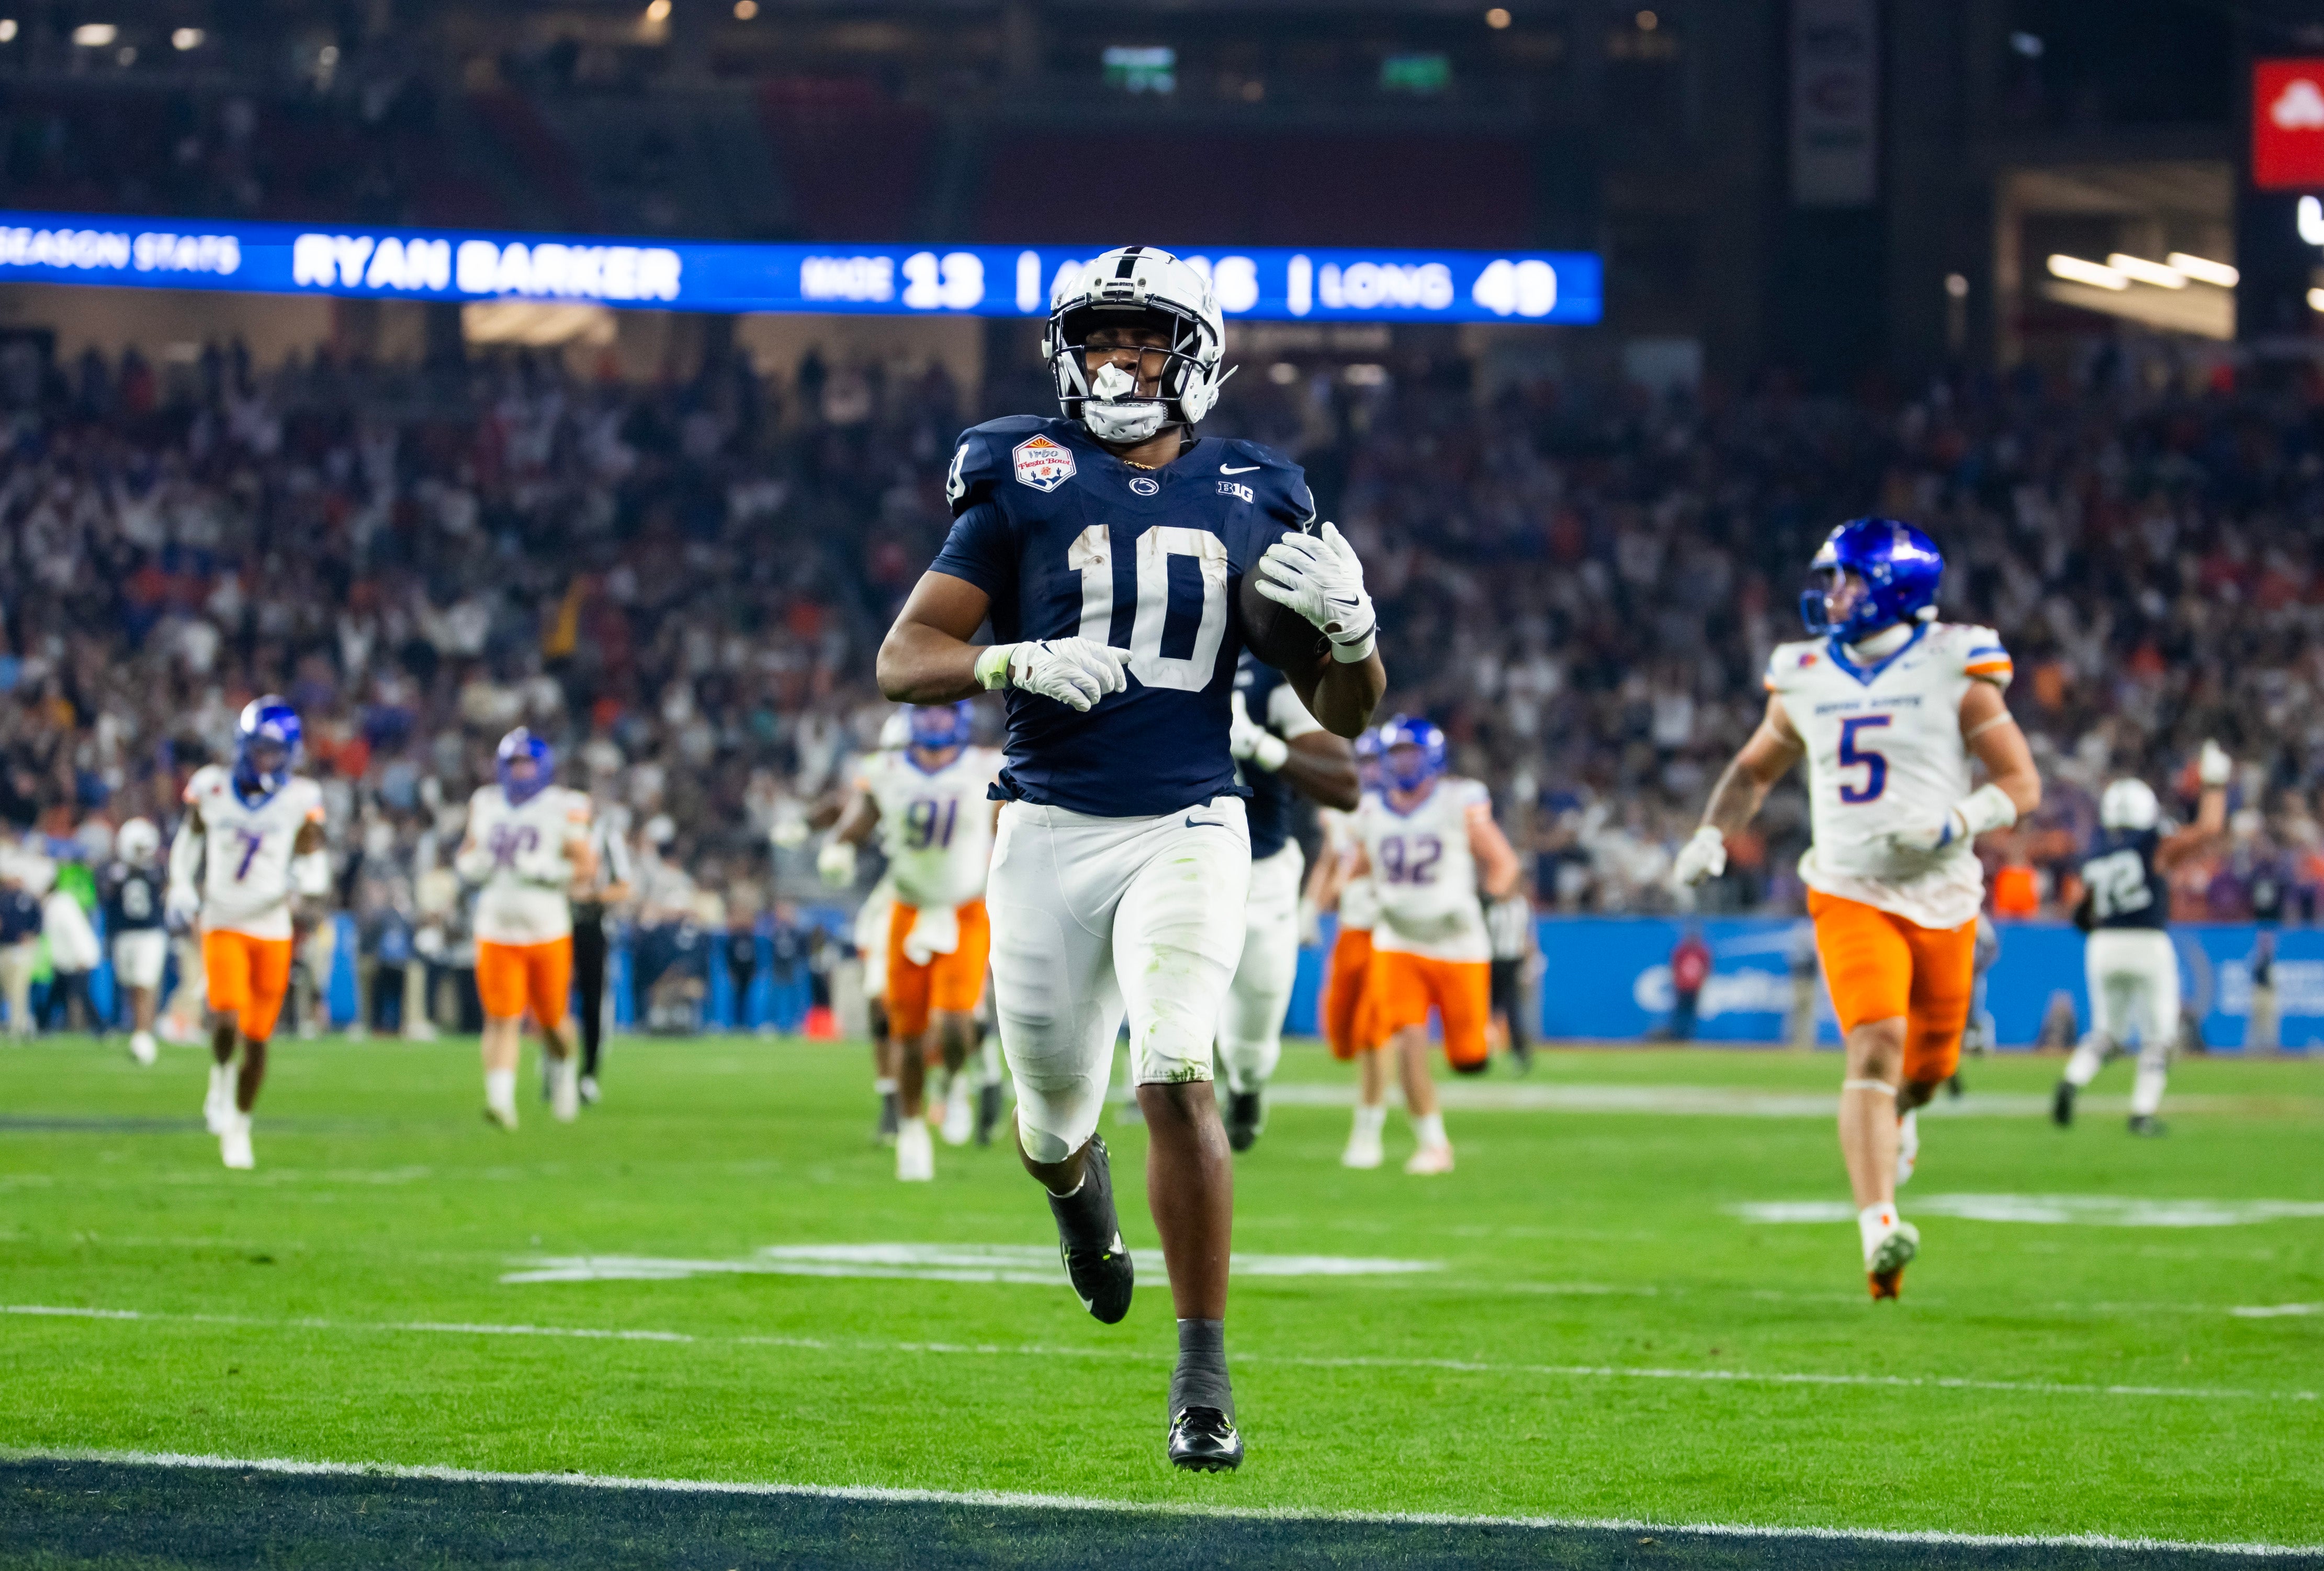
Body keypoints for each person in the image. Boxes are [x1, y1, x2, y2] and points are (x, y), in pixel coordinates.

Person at [876, 244, 1383, 1473]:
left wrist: (1355, 630)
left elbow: (1350, 718)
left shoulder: (1259, 490)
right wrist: (1006, 661)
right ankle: (1076, 1207)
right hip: (1043, 826)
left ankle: (1201, 1375)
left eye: (1140, 337)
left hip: (1189, 824)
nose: (1114, 359)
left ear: (1192, 355)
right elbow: (903, 658)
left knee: (1174, 1066)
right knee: (1050, 1117)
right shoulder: (1020, 474)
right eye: (1097, 337)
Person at [1673, 518, 2040, 1299]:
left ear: (1893, 588)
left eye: (1846, 579)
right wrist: (1711, 833)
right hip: (1847, 886)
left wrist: (1955, 822)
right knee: (1873, 1040)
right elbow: (1752, 770)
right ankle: (1878, 1226)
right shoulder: (1804, 671)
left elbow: (2021, 784)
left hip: (1941, 892)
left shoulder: (1953, 663)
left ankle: (1905, 1112)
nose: (1831, 594)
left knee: (1929, 1067)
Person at [824, 699, 1004, 1180]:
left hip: (965, 908)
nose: (934, 721)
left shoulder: (986, 767)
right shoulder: (884, 770)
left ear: (961, 718)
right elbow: (858, 818)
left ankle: (951, 1081)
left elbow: (1011, 826)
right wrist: (841, 846)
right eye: (925, 712)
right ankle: (911, 1129)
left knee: (955, 1020)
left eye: (944, 711)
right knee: (905, 1031)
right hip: (907, 907)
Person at [1340, 715, 1521, 1174]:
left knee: (1469, 1059)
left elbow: (1503, 861)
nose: (1402, 762)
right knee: (1406, 1039)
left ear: (1432, 757)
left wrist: (1491, 896)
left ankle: (1486, 1034)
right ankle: (1434, 1144)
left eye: (1410, 753)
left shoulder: (1459, 800)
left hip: (1458, 943)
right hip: (1398, 940)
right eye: (1395, 753)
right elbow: (1356, 867)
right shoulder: (1370, 811)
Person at [167, 697, 331, 1170]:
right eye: (259, 749)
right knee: (224, 1016)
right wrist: (181, 883)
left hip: (272, 927)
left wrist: (310, 877)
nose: (266, 759)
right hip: (223, 919)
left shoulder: (301, 796)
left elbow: (313, 851)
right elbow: (189, 838)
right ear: (244, 746)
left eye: (274, 751)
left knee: (258, 1039)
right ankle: (219, 1080)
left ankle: (241, 1123)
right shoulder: (212, 786)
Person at [1217, 651, 1359, 1151]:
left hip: (1262, 869)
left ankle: (1246, 1084)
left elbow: (1345, 786)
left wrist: (1261, 746)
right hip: (1170, 858)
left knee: (1253, 1032)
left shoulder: (1267, 676)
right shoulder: (1135, 649)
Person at [2056, 742, 2230, 1136]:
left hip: (2103, 945)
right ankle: (2142, 1113)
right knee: (2160, 1037)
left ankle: (2072, 1079)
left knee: (2107, 1034)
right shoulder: (2152, 843)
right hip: (2147, 942)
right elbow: (2208, 831)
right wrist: (2215, 784)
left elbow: (2080, 911)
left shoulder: (2096, 850)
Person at [455, 728, 597, 1130]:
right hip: (496, 925)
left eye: (527, 763)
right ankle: (501, 1102)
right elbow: (466, 853)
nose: (520, 771)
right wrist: (471, 866)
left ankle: (564, 1069)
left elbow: (587, 867)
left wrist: (550, 872)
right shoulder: (485, 802)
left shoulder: (564, 806)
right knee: (501, 1017)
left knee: (552, 1020)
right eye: (513, 763)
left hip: (546, 927)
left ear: (543, 767)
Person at [1310, 731, 1384, 1080]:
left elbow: (1364, 861)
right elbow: (1329, 859)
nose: (1370, 770)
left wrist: (1337, 885)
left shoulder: (1393, 807)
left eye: (1376, 762)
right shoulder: (1340, 809)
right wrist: (1309, 908)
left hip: (1385, 926)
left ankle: (1370, 1118)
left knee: (1374, 1027)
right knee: (1340, 1028)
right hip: (1351, 923)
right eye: (1365, 762)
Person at [570, 797, 634, 1104]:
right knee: (550, 999)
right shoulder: (555, 830)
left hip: (592, 925)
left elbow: (624, 886)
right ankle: (555, 1067)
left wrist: (593, 896)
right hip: (554, 922)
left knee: (593, 1001)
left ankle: (589, 1073)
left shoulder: (607, 834)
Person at [101, 817, 169, 1065]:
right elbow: (106, 897)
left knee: (145, 984)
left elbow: (167, 891)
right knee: (132, 985)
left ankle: (144, 1036)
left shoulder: (157, 870)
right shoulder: (116, 872)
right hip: (125, 934)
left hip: (150, 933)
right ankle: (139, 1032)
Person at [1484, 877, 1538, 1072]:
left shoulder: (1520, 906)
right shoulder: (1489, 906)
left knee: (1512, 1010)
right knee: (1485, 1010)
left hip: (1511, 961)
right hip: (1491, 961)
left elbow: (1527, 938)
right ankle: (1483, 1051)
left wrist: (1528, 966)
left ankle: (1520, 1054)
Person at [0, 860, 40, 1037]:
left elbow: (38, 921)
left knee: (19, 988)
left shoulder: (28, 899)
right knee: (8, 988)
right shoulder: (3, 898)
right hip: (4, 947)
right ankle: (23, 1021)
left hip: (20, 948)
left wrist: (31, 935)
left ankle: (18, 1025)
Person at [1663, 925, 1711, 1042]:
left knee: (1691, 1013)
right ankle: (1678, 1036)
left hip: (1695, 987)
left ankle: (1688, 1036)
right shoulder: (1681, 951)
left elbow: (1706, 969)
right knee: (1680, 1012)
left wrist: (1701, 983)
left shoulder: (1702, 952)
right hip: (1682, 987)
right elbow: (1675, 967)